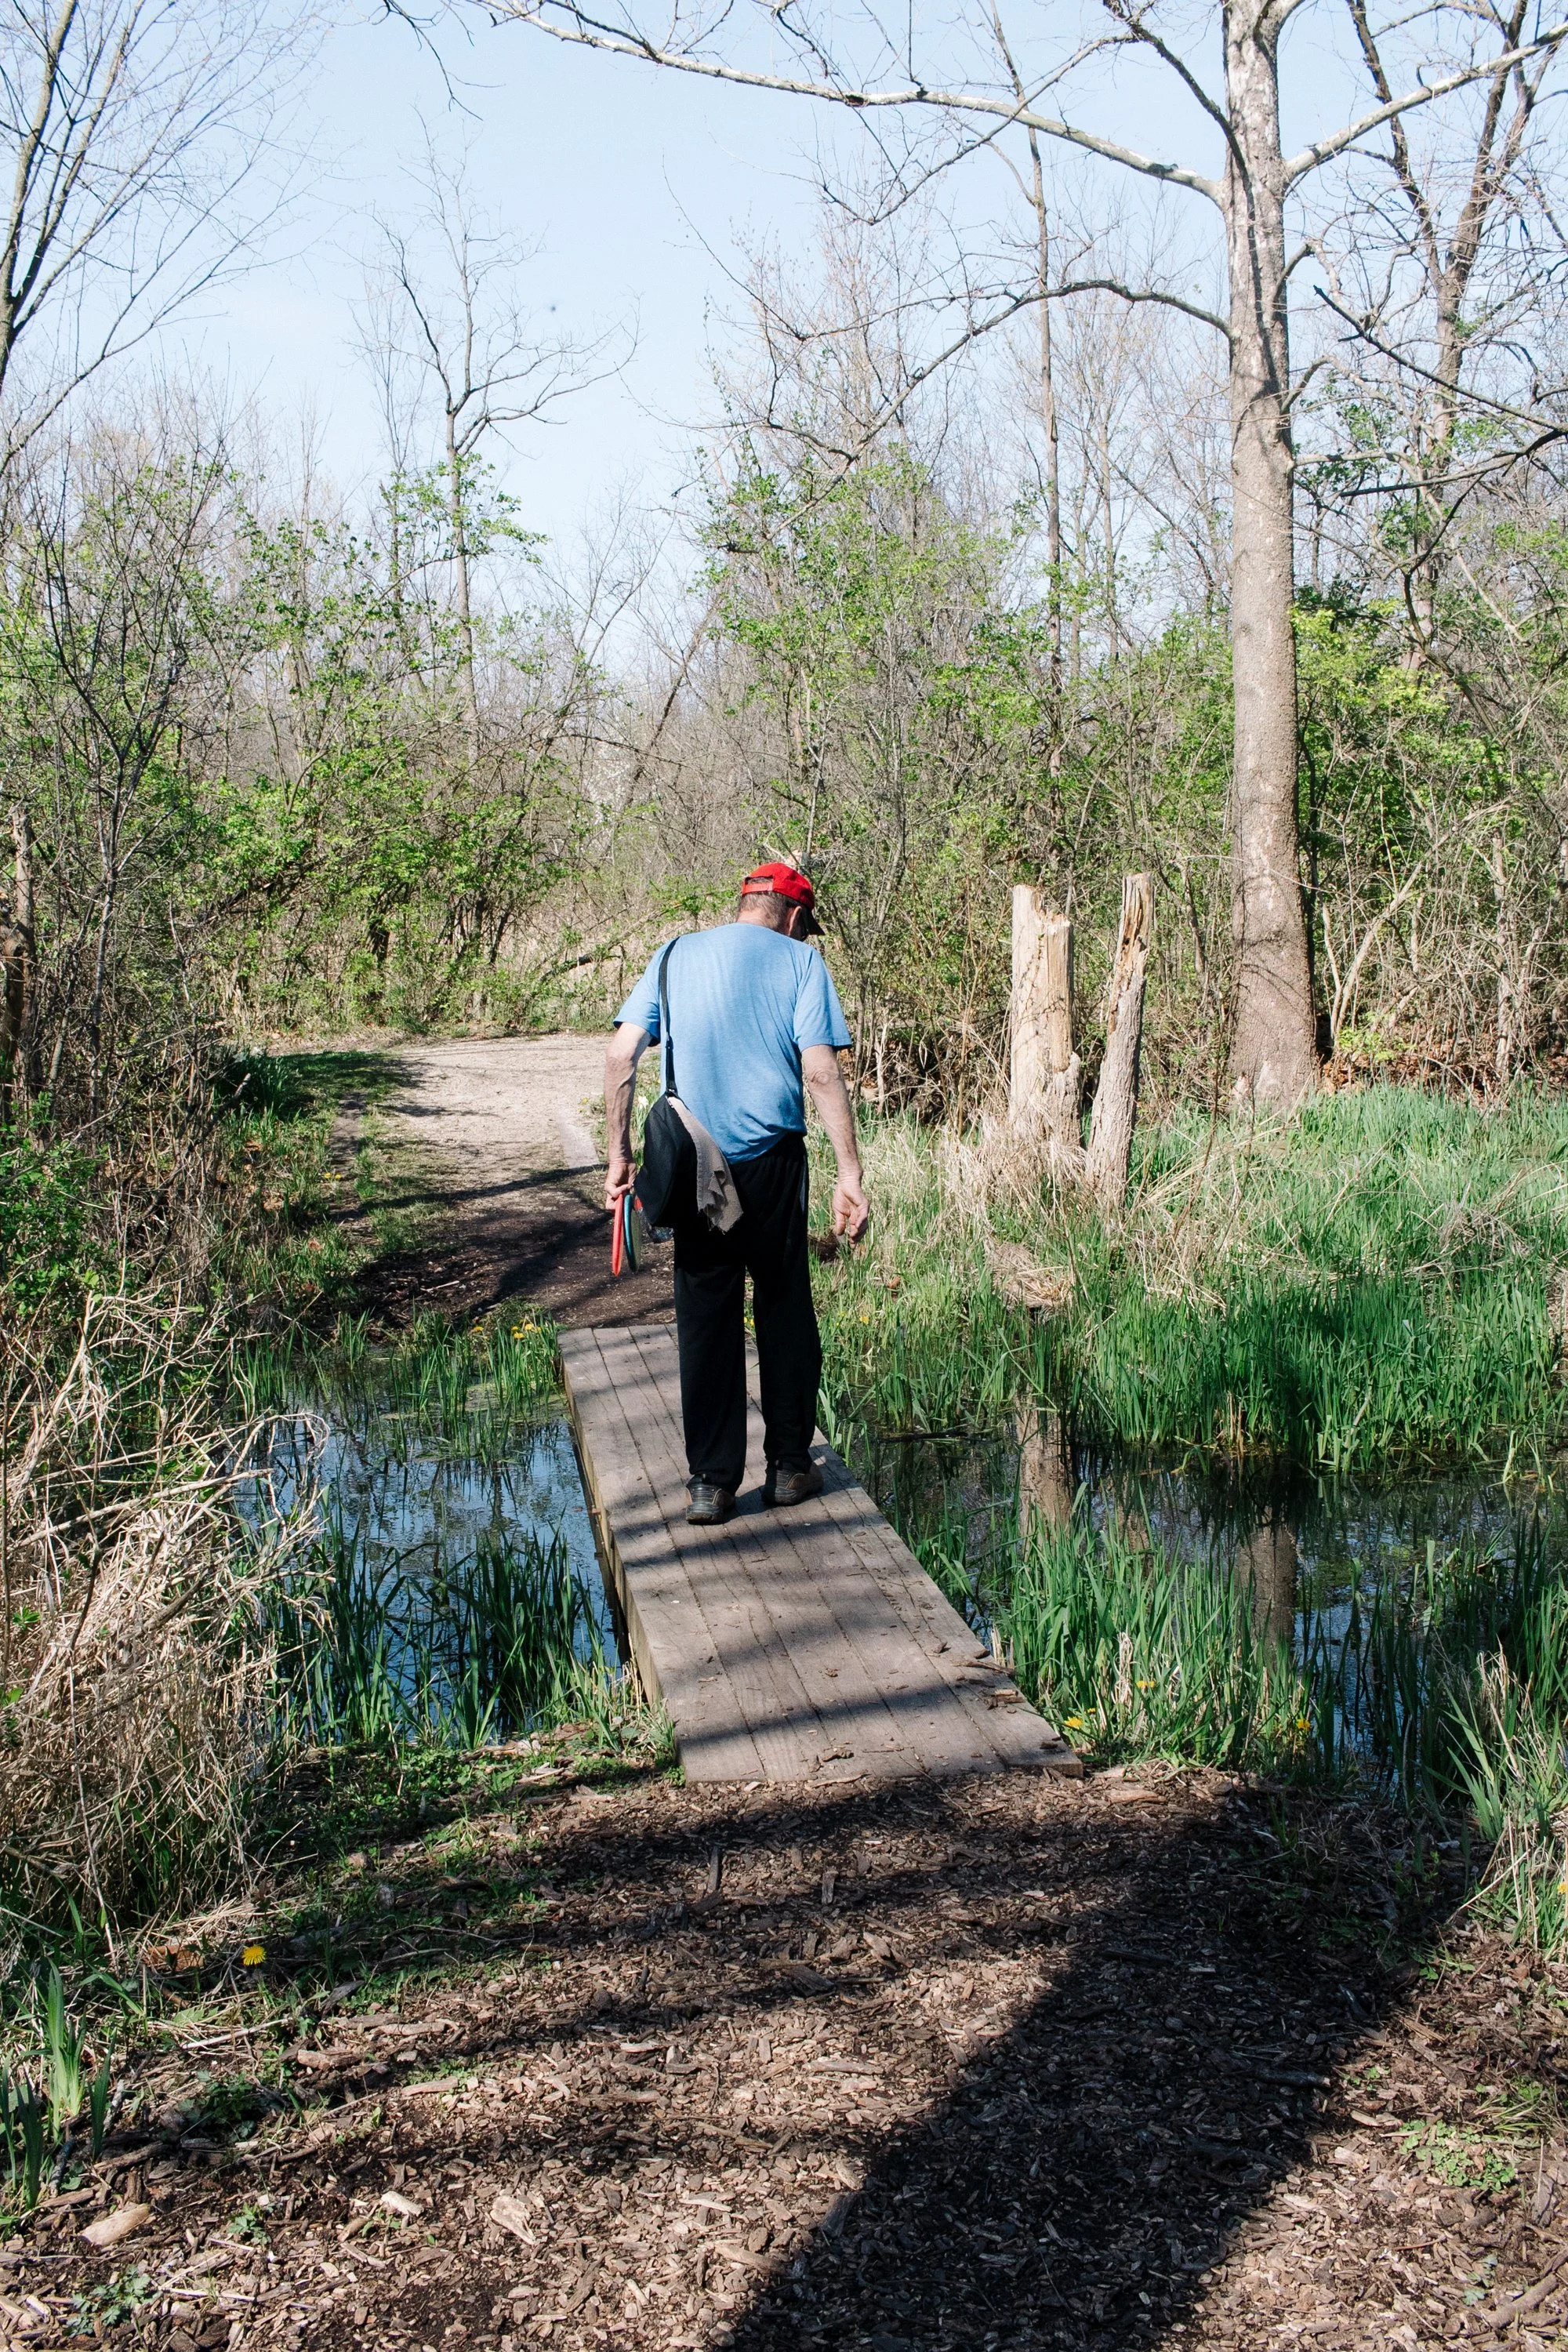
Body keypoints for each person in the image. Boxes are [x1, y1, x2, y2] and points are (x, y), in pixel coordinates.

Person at [604, 862, 870, 1526]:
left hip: (698, 1165)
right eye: (805, 927)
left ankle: (711, 1485)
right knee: (783, 1306)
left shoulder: (674, 954)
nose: (804, 937)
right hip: (773, 1163)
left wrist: (619, 1155)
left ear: (746, 902)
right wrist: (850, 1172)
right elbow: (819, 1069)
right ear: (793, 916)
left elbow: (620, 1055)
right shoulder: (801, 965)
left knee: (706, 1317)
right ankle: (787, 1470)